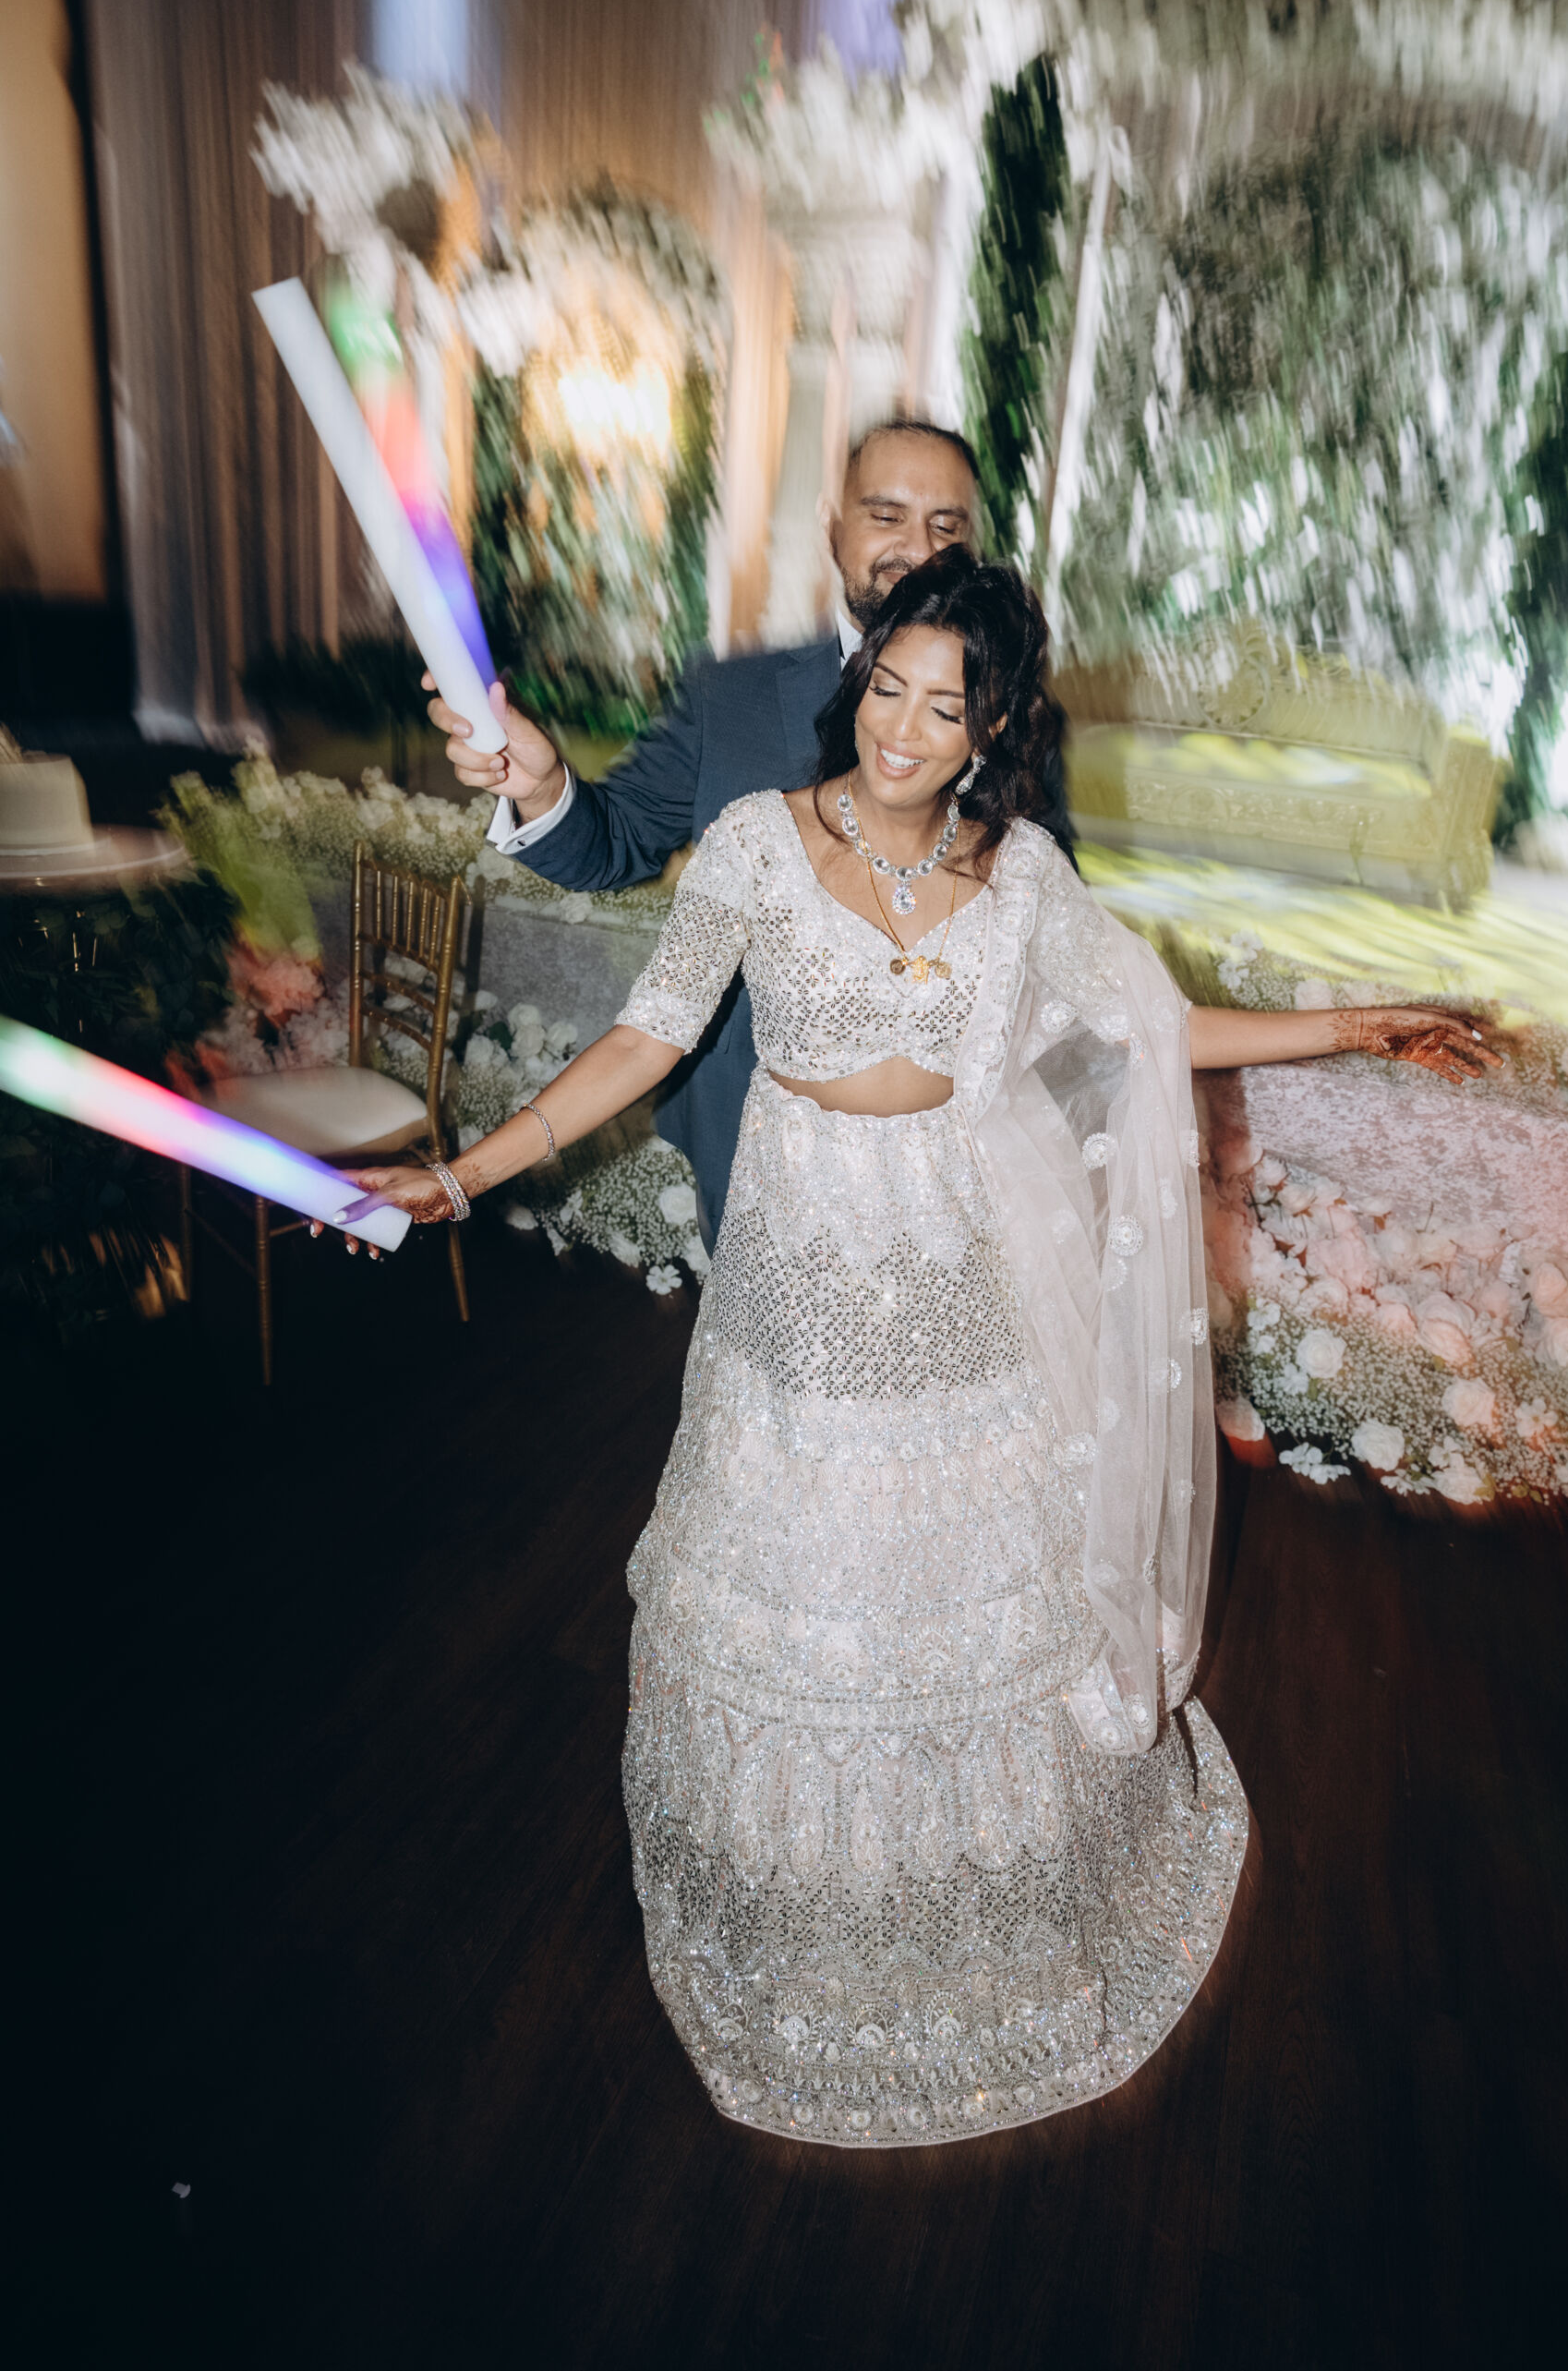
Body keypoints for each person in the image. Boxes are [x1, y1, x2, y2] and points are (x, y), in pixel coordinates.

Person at [353, 549, 1497, 2144]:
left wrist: (1357, 1023)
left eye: (942, 704)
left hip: (959, 1272)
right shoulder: (759, 843)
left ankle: (992, 1898)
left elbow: (1140, 1035)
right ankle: (805, 1919)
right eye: (886, 684)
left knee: (981, 1579)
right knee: (802, 1579)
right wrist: (470, 1171)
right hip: (803, 1275)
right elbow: (647, 1034)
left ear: (991, 726)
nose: (900, 726)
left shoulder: (1018, 875)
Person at [426, 417, 1069, 1238]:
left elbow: (1050, 941)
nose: (918, 548)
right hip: (748, 1134)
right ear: (831, 521)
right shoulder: (729, 696)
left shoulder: (1017, 720)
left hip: (950, 1168)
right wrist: (546, 787)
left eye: (946, 525)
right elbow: (615, 845)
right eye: (886, 515)